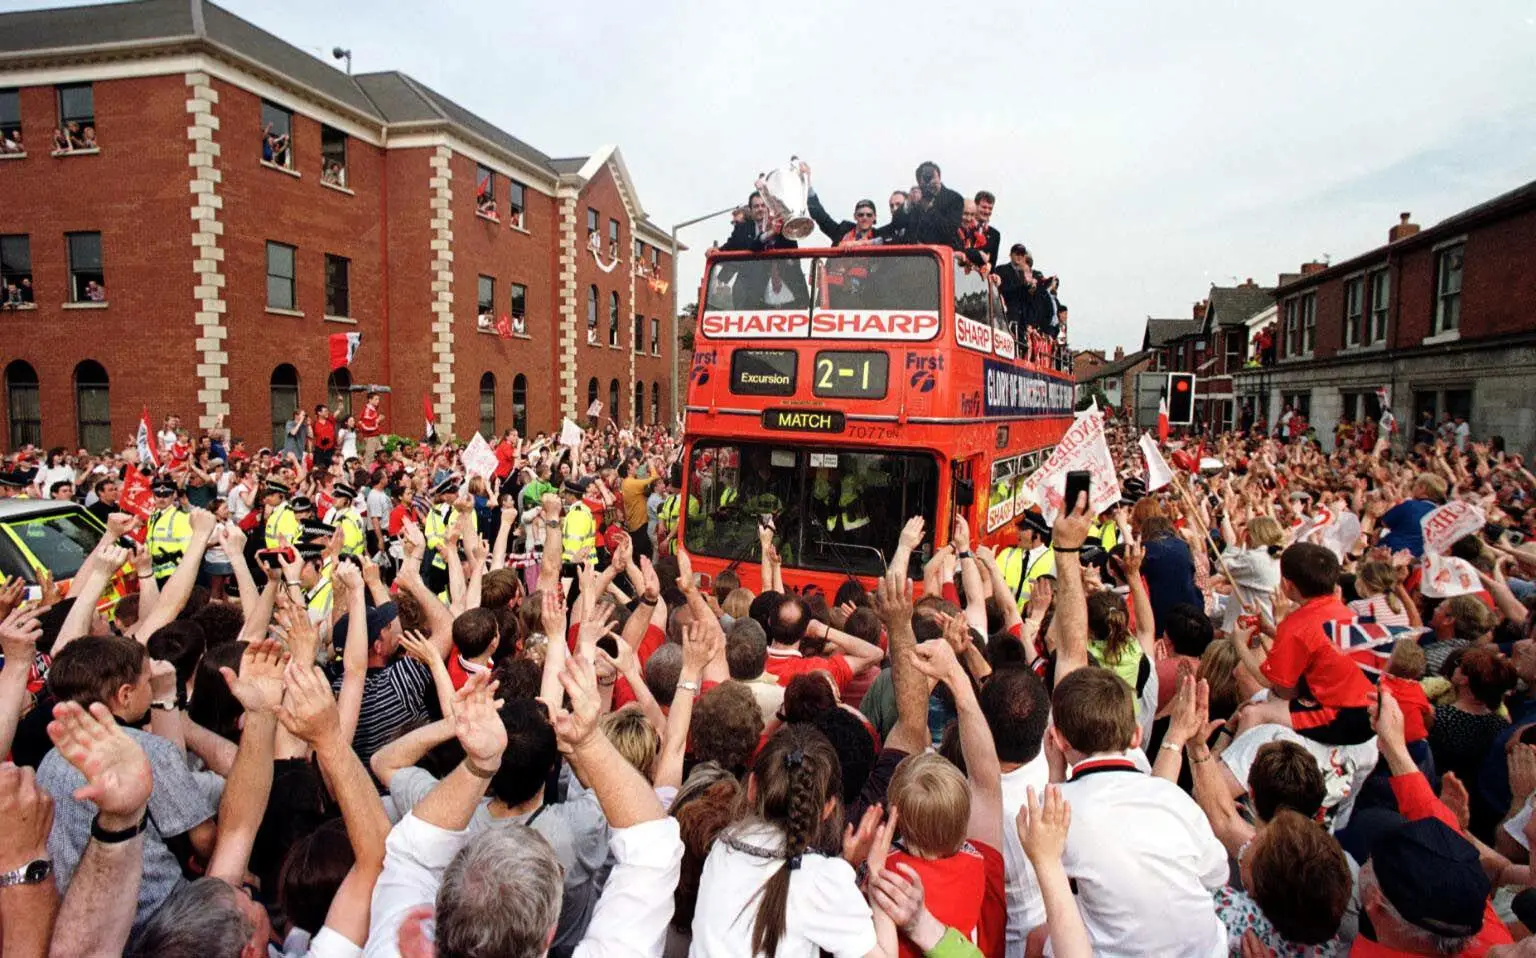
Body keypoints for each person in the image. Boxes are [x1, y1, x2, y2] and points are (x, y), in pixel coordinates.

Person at [1049, 667, 1230, 956]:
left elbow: (1050, 862)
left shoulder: (1059, 808)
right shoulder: (1172, 797)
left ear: (1058, 740)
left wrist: (1054, 775)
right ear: (1136, 737)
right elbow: (1217, 874)